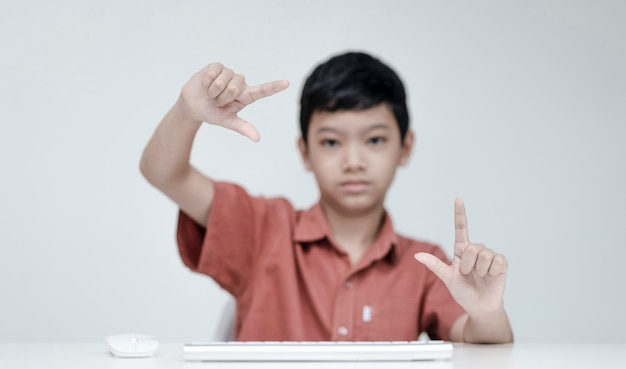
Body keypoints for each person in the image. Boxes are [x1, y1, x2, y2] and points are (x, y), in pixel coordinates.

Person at [140, 51, 513, 343]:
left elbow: (477, 344)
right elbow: (163, 173)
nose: (353, 161)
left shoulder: (426, 265)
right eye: (332, 142)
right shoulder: (262, 229)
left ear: (405, 147)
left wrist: (486, 313)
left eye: (375, 140)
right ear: (305, 151)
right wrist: (187, 112)